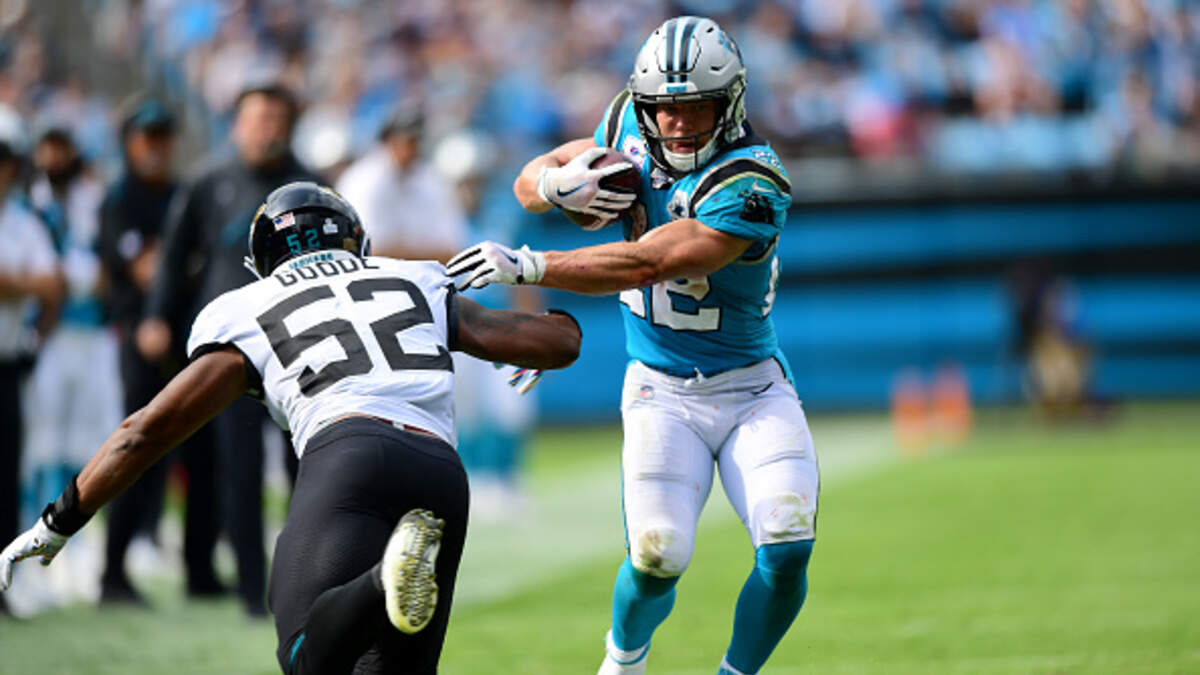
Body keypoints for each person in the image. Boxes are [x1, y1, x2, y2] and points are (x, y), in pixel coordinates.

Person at [1, 182, 582, 674]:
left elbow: (145, 431)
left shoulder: (243, 307)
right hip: (440, 474)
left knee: (305, 655)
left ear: (262, 259)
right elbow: (558, 342)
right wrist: (534, 310)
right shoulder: (412, 278)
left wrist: (59, 521)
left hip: (348, 454)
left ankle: (385, 579)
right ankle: (393, 573)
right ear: (357, 239)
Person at [447, 16, 818, 675]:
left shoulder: (753, 181)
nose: (677, 123)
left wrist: (529, 266)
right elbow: (532, 181)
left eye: (696, 107)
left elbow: (649, 262)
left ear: (730, 103)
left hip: (752, 386)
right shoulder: (626, 123)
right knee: (657, 555)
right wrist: (551, 183)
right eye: (664, 108)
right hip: (660, 389)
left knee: (787, 541)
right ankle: (622, 663)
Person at [139, 82, 322, 615]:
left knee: (308, 468)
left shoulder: (311, 186)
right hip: (233, 351)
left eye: (276, 119)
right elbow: (174, 257)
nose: (268, 129)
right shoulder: (207, 182)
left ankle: (305, 579)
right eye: (258, 118)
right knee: (236, 470)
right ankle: (250, 589)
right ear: (237, 124)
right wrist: (156, 317)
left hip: (303, 346)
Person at [97, 96, 223, 604]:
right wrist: (180, 264)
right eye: (147, 137)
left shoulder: (182, 193)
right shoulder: (120, 198)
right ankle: (112, 573)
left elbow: (200, 260)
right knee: (137, 449)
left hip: (190, 337)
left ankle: (200, 569)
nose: (156, 147)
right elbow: (149, 269)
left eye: (164, 137)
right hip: (143, 338)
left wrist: (179, 264)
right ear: (129, 142)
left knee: (203, 455)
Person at [20, 124, 114, 608]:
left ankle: (76, 554)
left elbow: (100, 267)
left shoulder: (90, 200)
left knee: (82, 445)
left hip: (90, 335)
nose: (56, 156)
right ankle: (33, 550)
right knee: (43, 444)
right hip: (50, 337)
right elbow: (56, 274)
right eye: (49, 147)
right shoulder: (32, 205)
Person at [0, 104, 62, 617]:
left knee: (5, 475)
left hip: (6, 363)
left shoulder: (22, 222)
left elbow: (53, 285)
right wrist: (22, 283)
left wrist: (12, 286)